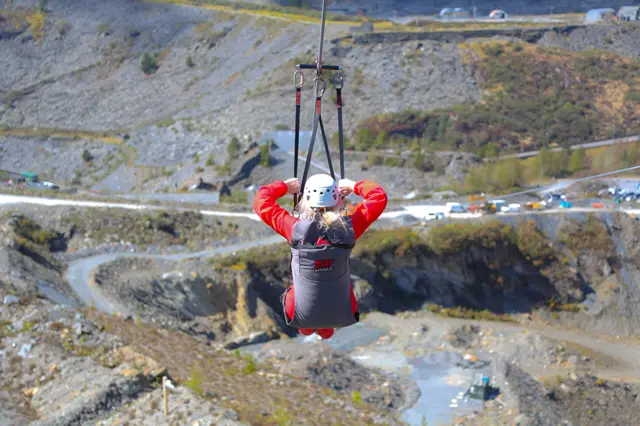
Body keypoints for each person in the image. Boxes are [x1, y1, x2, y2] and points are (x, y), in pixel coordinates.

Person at [253, 174, 387, 339]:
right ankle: (325, 329)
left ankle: (308, 328)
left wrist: (284, 187)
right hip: (343, 311)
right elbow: (378, 197)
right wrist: (354, 186)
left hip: (299, 313)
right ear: (338, 200)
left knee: (301, 291)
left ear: (305, 200)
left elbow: (261, 201)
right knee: (336, 288)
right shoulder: (349, 229)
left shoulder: (294, 228)